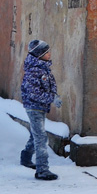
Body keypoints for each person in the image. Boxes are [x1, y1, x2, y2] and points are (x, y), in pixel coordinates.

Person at [20, 39, 61, 181]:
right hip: (33, 107)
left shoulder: (42, 68)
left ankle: (25, 157)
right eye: (46, 52)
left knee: (35, 134)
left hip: (40, 106)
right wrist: (52, 98)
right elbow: (34, 93)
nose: (49, 54)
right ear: (39, 54)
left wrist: (54, 95)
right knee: (41, 138)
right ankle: (42, 170)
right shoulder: (34, 71)